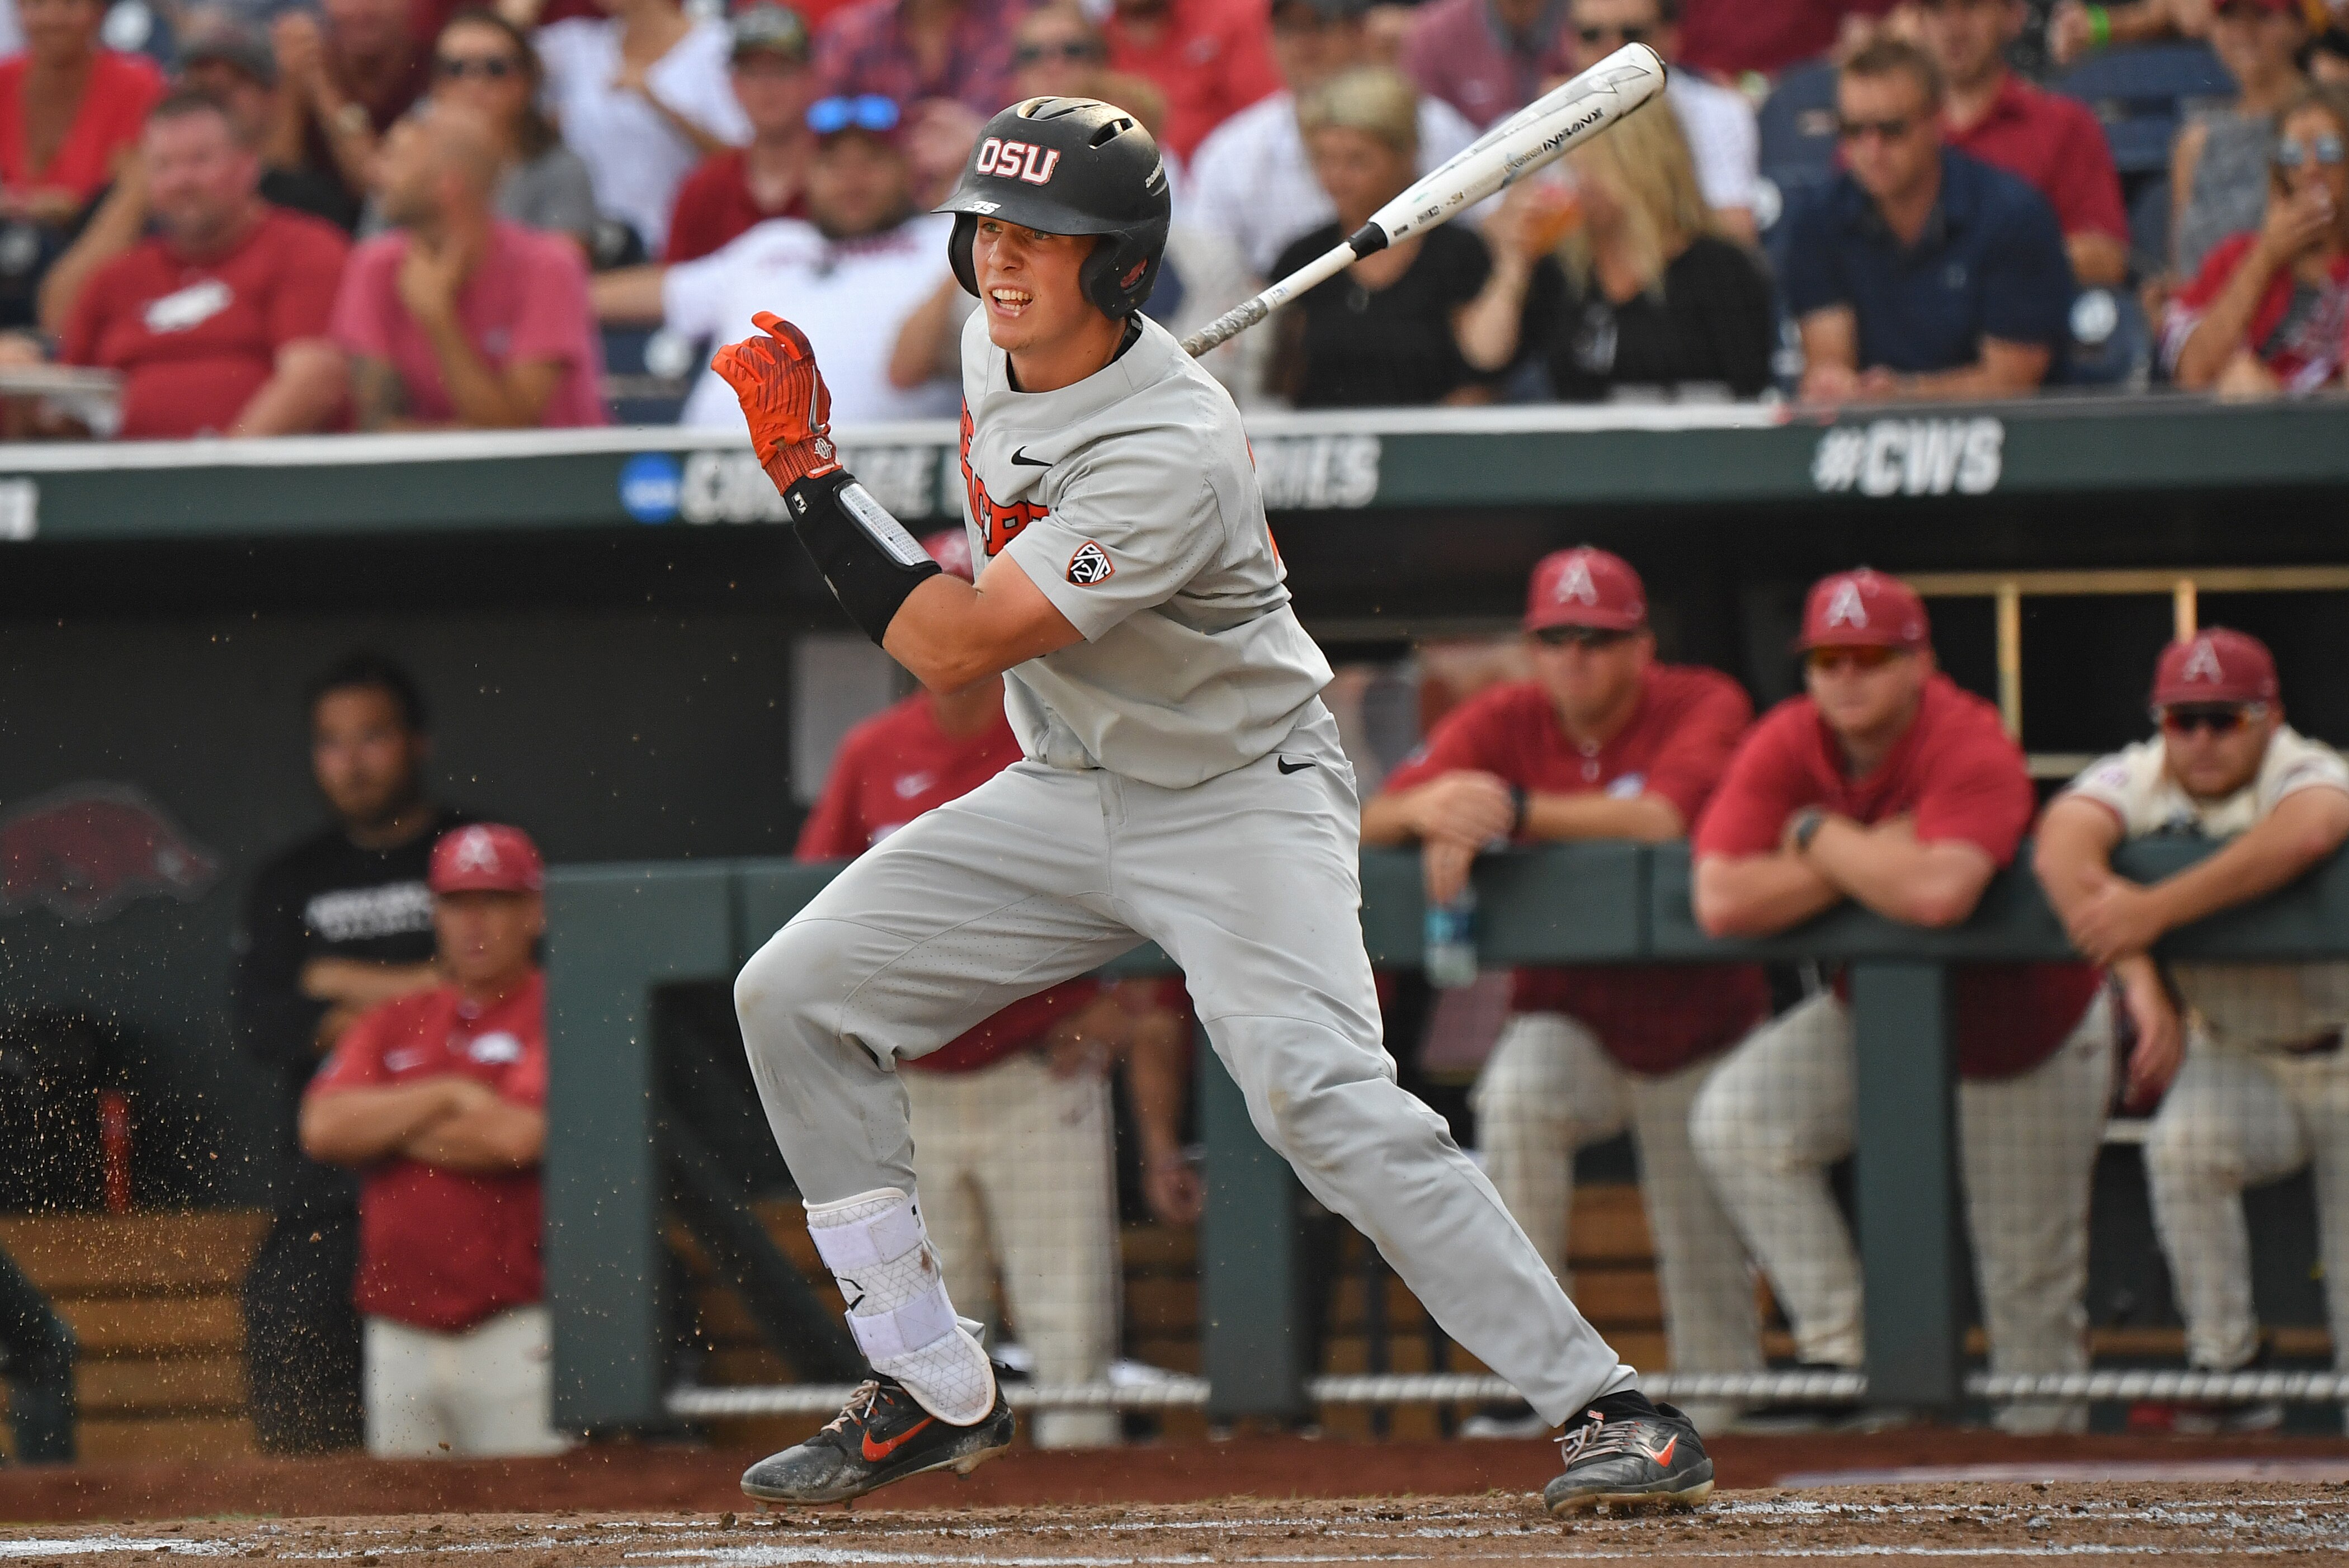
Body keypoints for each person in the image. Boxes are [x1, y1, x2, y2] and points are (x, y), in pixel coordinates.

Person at [714, 93, 1713, 1513]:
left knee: (1320, 1097)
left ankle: (1616, 1406)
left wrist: (815, 479)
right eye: (990, 230)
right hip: (1069, 784)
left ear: (1118, 266)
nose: (1003, 263)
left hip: (1240, 796)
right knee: (793, 992)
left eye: (1044, 240)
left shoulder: (1171, 452)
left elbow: (945, 645)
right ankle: (926, 1378)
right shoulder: (1003, 352)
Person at [1686, 569, 2121, 1435]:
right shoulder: (1787, 739)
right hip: (1878, 1022)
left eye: (1872, 658)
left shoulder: (1968, 738)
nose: (1847, 677)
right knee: (1738, 1121)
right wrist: (1856, 852)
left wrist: (1811, 834)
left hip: (2027, 1033)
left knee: (2027, 1289)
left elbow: (1938, 897)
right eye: (1829, 659)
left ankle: (2050, 1495)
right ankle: (1850, 1355)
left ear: (1920, 661)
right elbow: (1721, 901)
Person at [796, 528, 1199, 1449]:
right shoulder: (871, 750)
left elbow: (1149, 886)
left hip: (1037, 1072)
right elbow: (808, 914)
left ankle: (1085, 1529)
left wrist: (1114, 1009)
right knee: (935, 1346)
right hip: (916, 1086)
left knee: (1071, 1338)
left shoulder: (1062, 725)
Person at [1362, 547, 1768, 1440]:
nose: (1574, 656)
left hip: (1701, 1024)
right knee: (1516, 1098)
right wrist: (1435, 809)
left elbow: (1663, 817)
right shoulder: (1507, 715)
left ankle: (1731, 1411)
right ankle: (1540, 1378)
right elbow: (1369, 816)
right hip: (1574, 1020)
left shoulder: (1702, 699)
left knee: (1700, 1245)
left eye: (1596, 638)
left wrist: (1511, 807)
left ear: (1641, 647)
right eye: (1555, 638)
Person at [2040, 629, 2349, 1431]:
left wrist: (2154, 908)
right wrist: (2140, 976)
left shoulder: (2304, 765)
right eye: (2185, 720)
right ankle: (2229, 1366)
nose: (2203, 739)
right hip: (2242, 1053)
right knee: (2183, 1149)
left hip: (2345, 1050)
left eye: (2226, 718)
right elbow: (2058, 844)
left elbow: (2313, 829)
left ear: (2269, 717)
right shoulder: (2142, 774)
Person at [234, 654, 474, 1455]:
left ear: (418, 742)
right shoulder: (289, 880)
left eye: (372, 736)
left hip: (473, 1165)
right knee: (288, 1314)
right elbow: (265, 1025)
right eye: (332, 742)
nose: (353, 761)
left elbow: (503, 994)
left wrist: (339, 982)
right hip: (332, 1185)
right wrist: (428, 988)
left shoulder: (472, 858)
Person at [301, 823, 568, 1460]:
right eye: (456, 902)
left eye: (495, 901)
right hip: (398, 1330)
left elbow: (516, 1137)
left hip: (515, 1325)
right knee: (404, 1541)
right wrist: (448, 1093)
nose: (474, 922)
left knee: (533, 1533)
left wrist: (386, 1128)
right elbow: (323, 1127)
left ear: (534, 911)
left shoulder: (557, 1005)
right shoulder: (395, 1016)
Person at [592, 95, 956, 428]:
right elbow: (663, 292)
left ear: (908, 170)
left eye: (871, 162)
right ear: (809, 175)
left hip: (871, 475)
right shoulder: (773, 244)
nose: (852, 180)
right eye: (834, 165)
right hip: (714, 470)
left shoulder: (948, 242)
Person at [1781, 39, 2073, 404]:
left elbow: (2012, 382)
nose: (1871, 150)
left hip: (2005, 446)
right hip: (1868, 441)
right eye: (1854, 130)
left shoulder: (2013, 215)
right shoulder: (1818, 220)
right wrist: (1837, 385)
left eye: (1892, 129)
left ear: (1937, 121)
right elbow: (1830, 360)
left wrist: (1903, 396)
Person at [51, 90, 349, 438]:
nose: (181, 181)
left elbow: (315, 379)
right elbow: (66, 401)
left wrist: (219, 470)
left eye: (200, 161)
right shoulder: (117, 277)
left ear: (248, 165)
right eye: (164, 166)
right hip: (126, 483)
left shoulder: (305, 249)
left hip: (261, 484)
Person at [1456, 95, 1773, 401]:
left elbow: (1748, 393)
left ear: (1640, 167)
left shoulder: (1720, 269)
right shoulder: (1565, 271)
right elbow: (1485, 359)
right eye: (1572, 169)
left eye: (1592, 168)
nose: (1578, 184)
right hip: (1580, 453)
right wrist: (1515, 264)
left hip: (1690, 449)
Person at [331, 104, 607, 429]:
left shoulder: (550, 267)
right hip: (422, 479)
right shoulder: (373, 265)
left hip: (558, 478)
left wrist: (438, 317)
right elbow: (375, 425)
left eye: (395, 159)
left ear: (447, 186)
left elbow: (516, 432)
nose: (376, 172)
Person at [1186, 0, 1479, 277]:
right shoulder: (1229, 154)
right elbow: (1212, 274)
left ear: (1359, 32)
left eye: (1321, 25)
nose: (1304, 44)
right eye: (1289, 28)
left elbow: (1484, 228)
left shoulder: (1432, 126)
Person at [1266, 66, 1490, 407]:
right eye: (1323, 159)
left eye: (1357, 161)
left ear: (1406, 156)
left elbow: (1481, 381)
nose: (1336, 177)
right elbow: (1282, 380)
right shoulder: (1302, 258)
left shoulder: (1458, 255)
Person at [1916, 0, 2129, 288]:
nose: (1953, 29)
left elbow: (2108, 258)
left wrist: (1977, 257)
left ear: (2013, 15)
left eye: (1970, 6)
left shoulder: (2065, 124)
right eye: (1937, 9)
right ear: (1919, 22)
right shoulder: (1882, 131)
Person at [530, 0, 750, 259]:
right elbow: (494, 63)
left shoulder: (718, 44)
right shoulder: (577, 44)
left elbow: (746, 162)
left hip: (682, 251)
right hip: (595, 250)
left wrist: (660, 104)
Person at [2164, 85, 2349, 394]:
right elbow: (2193, 373)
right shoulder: (2238, 256)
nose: (2311, 168)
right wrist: (2266, 257)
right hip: (2258, 433)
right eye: (2292, 154)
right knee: (2243, 380)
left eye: (2329, 151)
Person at [391, 9, 597, 248]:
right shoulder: (407, 162)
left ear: (527, 81)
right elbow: (371, 256)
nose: (474, 83)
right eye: (455, 69)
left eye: (496, 68)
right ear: (435, 84)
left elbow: (562, 273)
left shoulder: (561, 169)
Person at [1560, 0, 1758, 242]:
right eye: (1591, 35)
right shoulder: (1539, 122)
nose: (1612, 50)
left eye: (1632, 35)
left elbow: (1736, 235)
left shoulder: (1719, 111)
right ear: (1569, 42)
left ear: (1671, 37)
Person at [662, 4, 818, 264]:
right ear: (734, 85)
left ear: (810, 78)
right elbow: (673, 287)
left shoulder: (846, 180)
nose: (767, 87)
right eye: (752, 72)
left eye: (781, 70)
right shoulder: (704, 189)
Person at [2171, 0, 2309, 283]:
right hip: (2209, 318)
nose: (2244, 32)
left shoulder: (2327, 120)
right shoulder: (2194, 141)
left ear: (2300, 26)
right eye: (2229, 16)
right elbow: (2181, 275)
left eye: (2262, 15)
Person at [0, 0, 163, 225]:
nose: (53, 19)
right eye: (37, 4)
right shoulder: (4, 80)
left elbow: (134, 197)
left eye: (71, 5)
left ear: (99, 12)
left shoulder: (136, 84)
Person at [270, 0, 430, 214]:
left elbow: (376, 189)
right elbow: (277, 178)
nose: (363, 10)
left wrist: (322, 88)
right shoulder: (311, 56)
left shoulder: (434, 68)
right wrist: (292, 82)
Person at [1101, 0, 1284, 163]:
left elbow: (1269, 121)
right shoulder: (1091, 37)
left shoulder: (1231, 14)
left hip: (1233, 178)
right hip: (1136, 181)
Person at [812, 0, 1030, 120]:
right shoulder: (852, 35)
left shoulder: (1021, 19)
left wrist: (978, 138)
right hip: (885, 191)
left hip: (1000, 183)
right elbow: (819, 133)